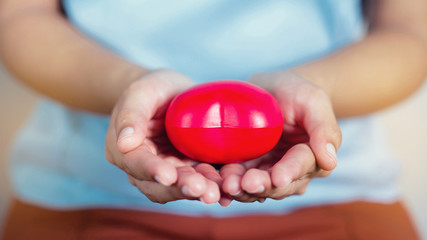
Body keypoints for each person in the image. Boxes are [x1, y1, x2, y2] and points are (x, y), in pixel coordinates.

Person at [0, 0, 425, 239]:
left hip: (342, 205)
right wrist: (128, 88)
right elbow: (20, 16)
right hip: (84, 197)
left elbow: (410, 31)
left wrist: (314, 90)